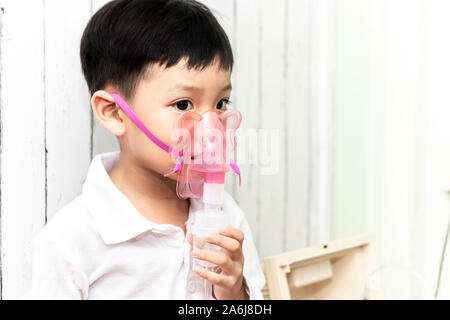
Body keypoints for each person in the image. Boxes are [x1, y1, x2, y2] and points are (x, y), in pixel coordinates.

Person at [23, 0, 266, 299]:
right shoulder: (73, 240)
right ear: (113, 112)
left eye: (221, 104)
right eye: (183, 104)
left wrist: (234, 291)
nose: (212, 128)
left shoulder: (225, 214)